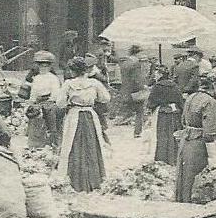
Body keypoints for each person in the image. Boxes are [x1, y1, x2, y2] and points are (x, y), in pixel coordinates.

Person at [55, 57, 112, 192]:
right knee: (91, 144)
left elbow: (60, 103)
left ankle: (76, 180)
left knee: (73, 144)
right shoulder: (94, 83)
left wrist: (71, 100)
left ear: (73, 71)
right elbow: (105, 98)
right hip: (90, 115)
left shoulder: (69, 84)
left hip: (74, 115)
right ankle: (94, 179)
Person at [176, 73, 216, 203]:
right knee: (202, 178)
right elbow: (210, 133)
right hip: (202, 145)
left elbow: (183, 120)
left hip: (187, 141)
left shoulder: (191, 97)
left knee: (187, 178)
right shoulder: (211, 103)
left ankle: (185, 200)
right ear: (215, 85)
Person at [144, 64, 185, 165]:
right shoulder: (175, 86)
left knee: (162, 136)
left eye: (157, 74)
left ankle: (162, 158)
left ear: (161, 74)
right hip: (175, 113)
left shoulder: (157, 86)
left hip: (162, 113)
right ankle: (174, 158)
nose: (155, 76)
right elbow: (180, 102)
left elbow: (150, 103)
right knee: (174, 135)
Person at [23, 51, 61, 150]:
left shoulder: (53, 78)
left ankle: (52, 144)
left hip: (49, 103)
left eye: (45, 66)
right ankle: (35, 145)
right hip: (38, 103)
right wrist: (31, 103)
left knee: (51, 124)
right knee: (34, 119)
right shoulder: (37, 78)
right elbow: (33, 93)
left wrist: (47, 102)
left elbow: (55, 94)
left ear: (49, 67)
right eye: (41, 66)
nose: (43, 68)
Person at [119, 45, 148, 138]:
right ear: (137, 53)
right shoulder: (136, 63)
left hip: (126, 89)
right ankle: (137, 132)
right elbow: (137, 79)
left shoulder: (124, 63)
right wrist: (143, 87)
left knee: (130, 110)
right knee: (140, 111)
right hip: (135, 90)